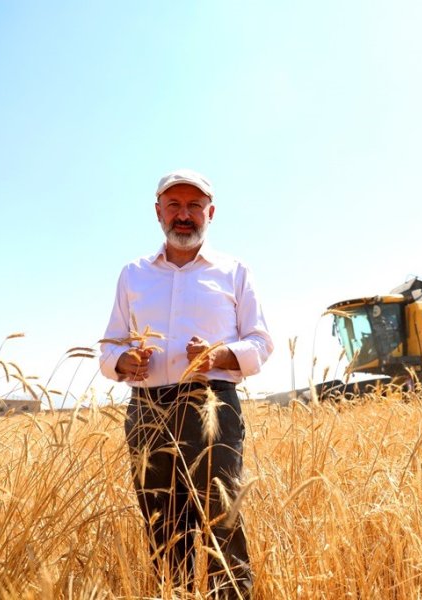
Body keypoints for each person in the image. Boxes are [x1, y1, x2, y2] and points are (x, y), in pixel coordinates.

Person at [99, 168, 273, 598]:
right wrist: (125, 361)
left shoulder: (235, 272)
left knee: (222, 528)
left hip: (213, 406)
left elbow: (261, 342)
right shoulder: (133, 274)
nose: (184, 214)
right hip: (148, 411)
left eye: (194, 206)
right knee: (164, 532)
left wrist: (218, 355)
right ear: (158, 211)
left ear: (210, 213)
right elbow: (107, 348)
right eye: (174, 205)